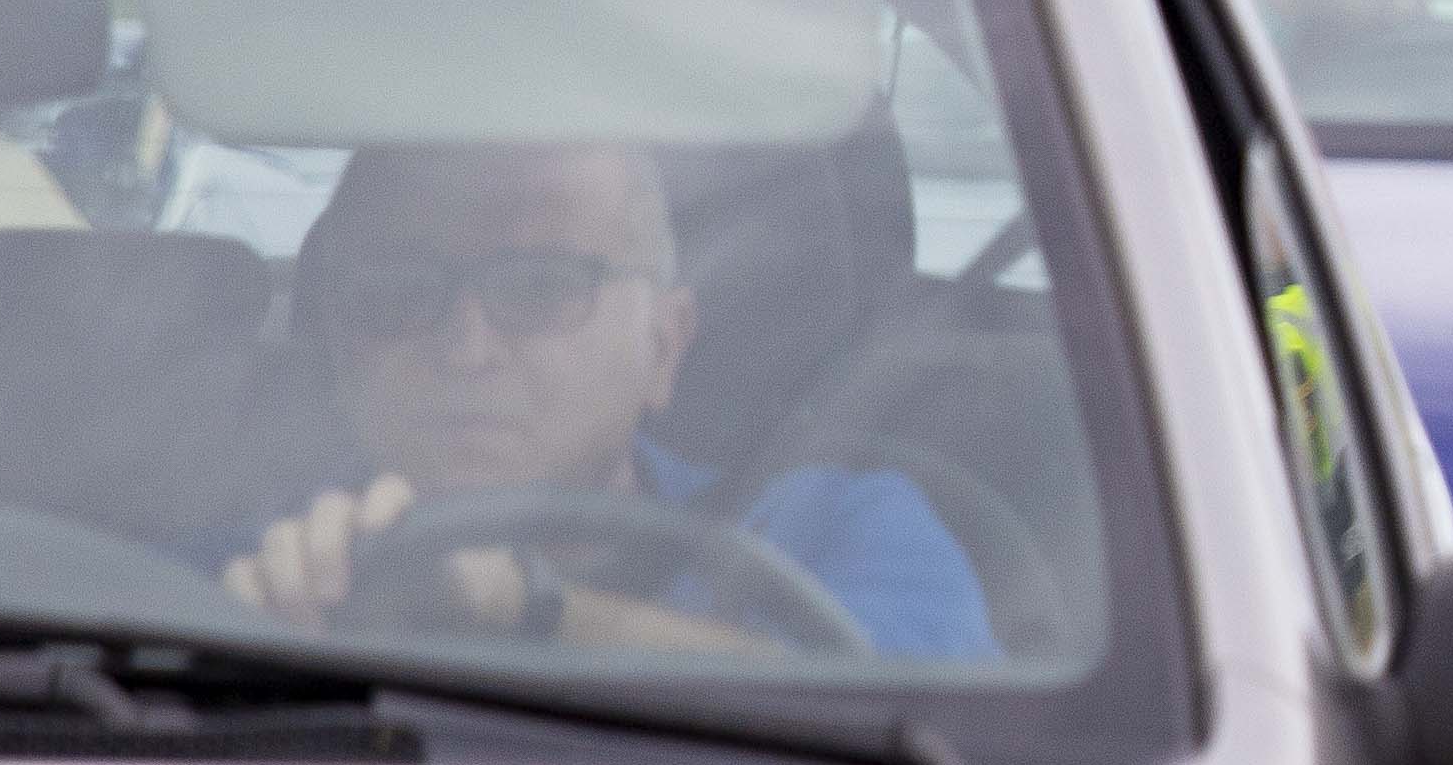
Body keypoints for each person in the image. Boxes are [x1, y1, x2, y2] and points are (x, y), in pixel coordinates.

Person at [222, 139, 988, 661]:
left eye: (540, 286)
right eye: (399, 294)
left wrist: (522, 605)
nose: (466, 348)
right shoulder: (248, 561)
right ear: (340, 349)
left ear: (665, 341)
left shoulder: (832, 530)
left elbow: (926, 738)